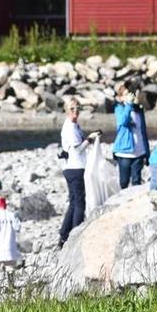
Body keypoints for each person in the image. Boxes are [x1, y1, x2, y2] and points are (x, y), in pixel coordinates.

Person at [58, 97, 99, 249]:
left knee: (74, 202)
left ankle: (64, 234)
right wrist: (90, 138)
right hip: (75, 168)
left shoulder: (74, 126)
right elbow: (78, 149)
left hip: (72, 167)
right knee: (80, 202)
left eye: (77, 108)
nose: (75, 112)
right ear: (66, 111)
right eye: (72, 109)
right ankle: (76, 235)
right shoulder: (69, 127)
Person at [112, 83, 150, 188]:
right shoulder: (119, 108)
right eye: (120, 89)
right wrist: (128, 104)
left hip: (139, 152)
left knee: (136, 182)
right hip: (124, 153)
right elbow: (122, 122)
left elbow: (143, 131)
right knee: (124, 182)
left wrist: (147, 152)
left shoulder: (138, 110)